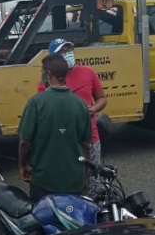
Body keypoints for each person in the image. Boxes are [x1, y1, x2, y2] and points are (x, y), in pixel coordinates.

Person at [38, 38, 107, 198]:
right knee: (68, 181)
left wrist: (93, 109)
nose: (68, 55)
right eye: (63, 52)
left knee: (92, 179)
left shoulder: (88, 73)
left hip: (91, 136)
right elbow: (44, 111)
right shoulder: (47, 81)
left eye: (69, 51)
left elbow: (102, 99)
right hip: (64, 140)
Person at [20, 54, 92, 202]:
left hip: (44, 180)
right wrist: (84, 174)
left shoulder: (36, 103)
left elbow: (24, 142)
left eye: (42, 72)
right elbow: (85, 145)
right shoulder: (80, 104)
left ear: (48, 74)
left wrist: (22, 165)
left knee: (43, 221)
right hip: (74, 180)